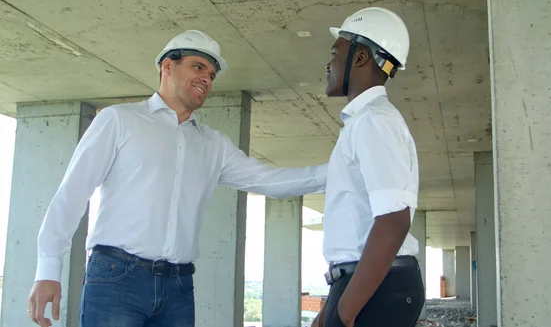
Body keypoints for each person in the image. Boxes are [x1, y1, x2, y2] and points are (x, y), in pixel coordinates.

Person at [27, 30, 328, 327]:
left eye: (211, 74)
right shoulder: (119, 120)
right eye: (198, 67)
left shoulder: (214, 145)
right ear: (167, 67)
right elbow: (72, 194)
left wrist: (342, 171)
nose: (207, 79)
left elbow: (272, 181)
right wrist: (48, 269)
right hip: (116, 278)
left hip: (179, 287)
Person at [312, 7, 424, 327]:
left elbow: (393, 220)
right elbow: (358, 226)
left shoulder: (373, 121)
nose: (328, 63)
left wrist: (345, 311)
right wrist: (330, 309)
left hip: (377, 290)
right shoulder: (366, 122)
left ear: (360, 58)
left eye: (336, 52)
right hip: (366, 283)